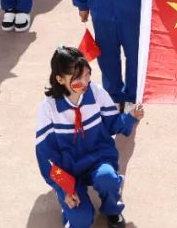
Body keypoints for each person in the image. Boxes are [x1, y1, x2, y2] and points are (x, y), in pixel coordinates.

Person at [35, 46, 142, 228]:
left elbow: (113, 123)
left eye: (87, 75)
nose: (85, 83)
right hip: (68, 169)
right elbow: (47, 158)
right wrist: (64, 188)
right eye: (77, 79)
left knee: (108, 178)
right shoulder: (48, 109)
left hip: (98, 158)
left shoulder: (96, 92)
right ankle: (69, 209)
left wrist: (130, 117)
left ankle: (112, 209)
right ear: (60, 79)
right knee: (81, 219)